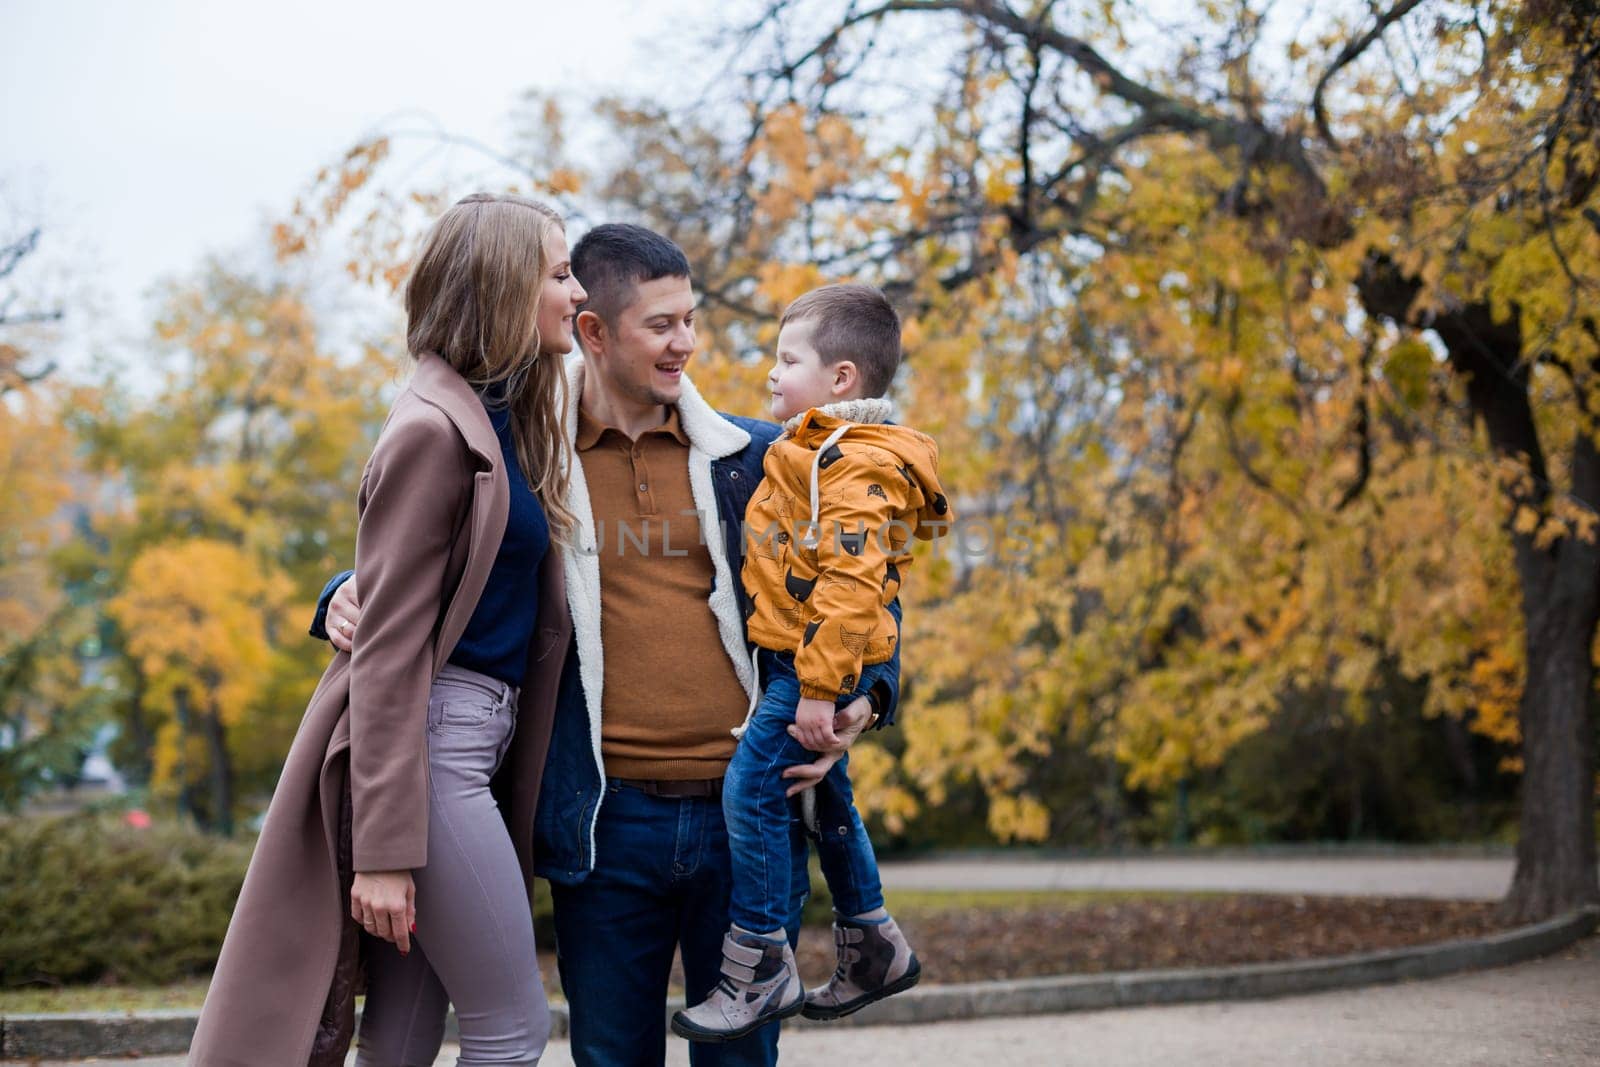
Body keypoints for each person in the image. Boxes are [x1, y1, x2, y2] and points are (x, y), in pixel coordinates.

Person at [317, 224, 903, 1067]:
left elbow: (868, 582)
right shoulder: (528, 463)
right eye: (662, 325)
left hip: (749, 814)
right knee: (610, 1056)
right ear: (594, 331)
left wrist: (864, 695)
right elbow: (432, 549)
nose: (687, 344)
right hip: (600, 821)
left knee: (741, 1061)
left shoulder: (760, 460)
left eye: (690, 320)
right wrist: (341, 590)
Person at [188, 192, 585, 1067]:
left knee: (401, 1039)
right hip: (432, 753)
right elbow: (395, 647)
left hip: (468, 745)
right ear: (504, 285)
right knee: (512, 1027)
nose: (577, 291)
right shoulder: (433, 430)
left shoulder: (506, 416)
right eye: (559, 273)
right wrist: (384, 850)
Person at [672, 284, 949, 1042]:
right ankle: (873, 942)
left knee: (752, 791)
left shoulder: (850, 462)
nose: (771, 373)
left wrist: (826, 688)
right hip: (811, 659)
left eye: (787, 359)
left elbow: (859, 578)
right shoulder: (812, 447)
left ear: (842, 379)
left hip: (810, 664)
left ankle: (760, 963)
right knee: (823, 796)